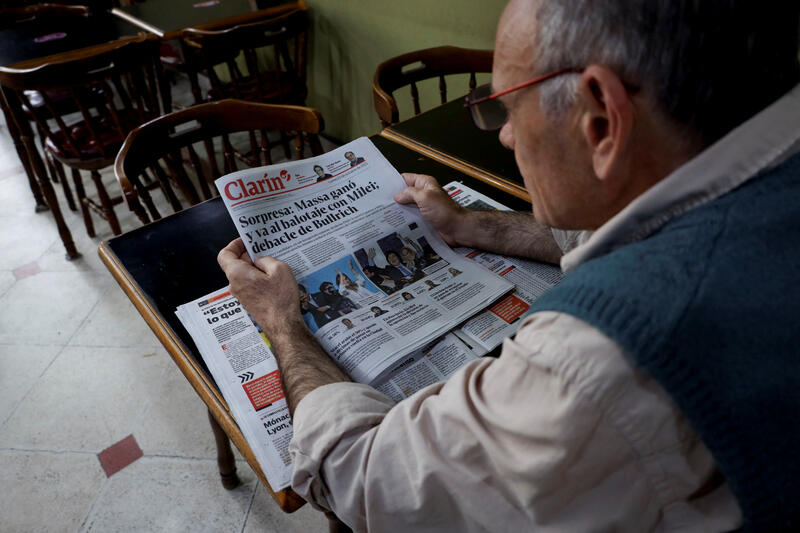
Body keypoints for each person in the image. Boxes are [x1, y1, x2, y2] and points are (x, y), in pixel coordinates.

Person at [218, 1, 800, 530]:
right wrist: (471, 226)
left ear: (600, 118)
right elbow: (650, 224)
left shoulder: (597, 359)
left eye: (508, 107)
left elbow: (364, 479)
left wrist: (283, 324)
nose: (505, 138)